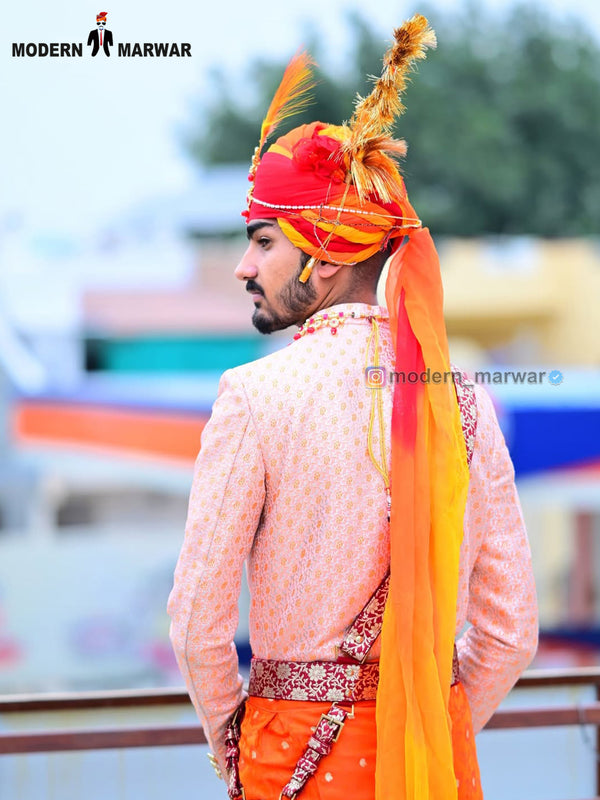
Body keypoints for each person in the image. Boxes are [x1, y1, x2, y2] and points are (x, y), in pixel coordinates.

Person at [167, 15, 538, 800]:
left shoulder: (255, 397)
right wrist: (423, 733)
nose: (243, 266)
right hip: (431, 762)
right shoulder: (464, 403)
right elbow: (509, 634)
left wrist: (236, 744)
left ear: (329, 253)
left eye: (264, 241)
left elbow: (198, 619)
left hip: (289, 764)